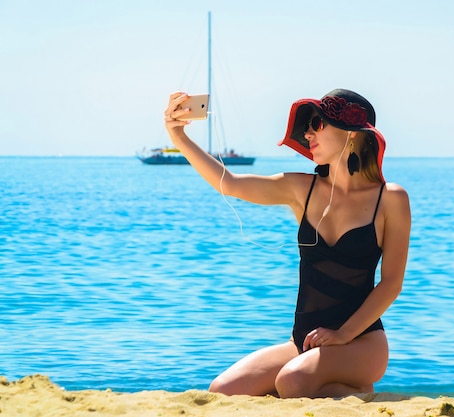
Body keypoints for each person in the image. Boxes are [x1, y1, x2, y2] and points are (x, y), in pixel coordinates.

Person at [164, 88, 411, 398]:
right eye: (307, 126)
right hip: (304, 342)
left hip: (362, 343)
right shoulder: (300, 189)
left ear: (352, 134)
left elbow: (391, 284)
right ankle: (335, 387)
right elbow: (231, 184)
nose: (308, 134)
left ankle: (358, 385)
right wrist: (179, 138)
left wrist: (342, 334)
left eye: (317, 124)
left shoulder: (390, 199)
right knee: (223, 391)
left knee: (292, 382)